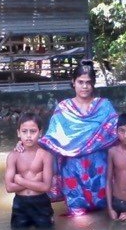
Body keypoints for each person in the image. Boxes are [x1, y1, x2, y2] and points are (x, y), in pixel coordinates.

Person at [39, 60, 119, 216]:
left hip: (99, 168)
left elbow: (120, 133)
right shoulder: (64, 108)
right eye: (80, 82)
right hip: (72, 169)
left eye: (88, 82)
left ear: (94, 84)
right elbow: (51, 140)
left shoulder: (104, 106)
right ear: (73, 82)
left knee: (103, 212)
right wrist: (24, 146)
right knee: (77, 217)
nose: (84, 86)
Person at [5, 113, 54, 229]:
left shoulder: (45, 156)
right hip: (20, 204)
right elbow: (9, 188)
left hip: (41, 203)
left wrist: (21, 181)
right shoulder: (13, 156)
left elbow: (46, 187)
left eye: (33, 131)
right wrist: (35, 181)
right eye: (24, 131)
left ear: (40, 133)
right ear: (18, 133)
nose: (28, 136)